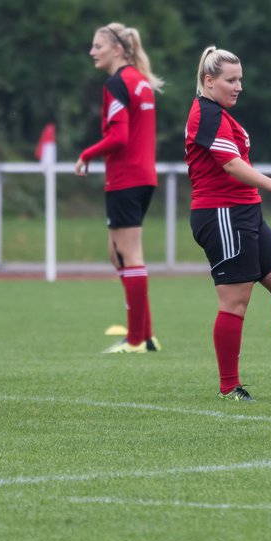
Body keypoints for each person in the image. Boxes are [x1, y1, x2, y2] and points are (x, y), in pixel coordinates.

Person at [185, 46, 271, 401]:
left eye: (240, 79)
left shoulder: (223, 115)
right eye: (231, 80)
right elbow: (230, 165)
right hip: (221, 214)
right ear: (209, 81)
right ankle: (229, 387)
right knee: (235, 301)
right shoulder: (205, 113)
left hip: (246, 212)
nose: (239, 86)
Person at [75, 22, 164, 353]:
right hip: (143, 177)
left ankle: (137, 339)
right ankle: (146, 334)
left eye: (97, 45)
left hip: (126, 178)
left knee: (129, 254)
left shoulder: (118, 83)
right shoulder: (140, 81)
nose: (92, 51)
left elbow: (119, 137)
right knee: (118, 255)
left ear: (117, 49)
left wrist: (86, 154)